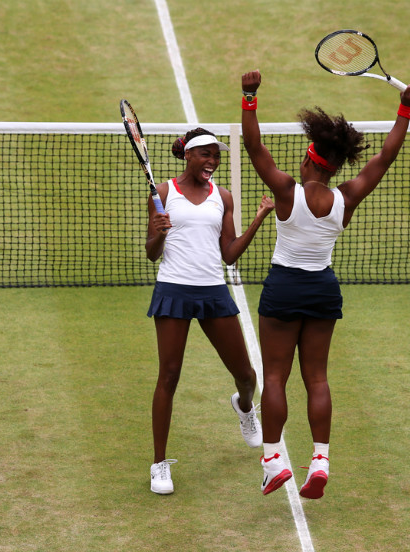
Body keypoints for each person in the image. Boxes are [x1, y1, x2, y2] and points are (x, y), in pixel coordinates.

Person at [240, 70, 410, 498]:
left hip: (283, 289)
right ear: (335, 165)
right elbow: (385, 158)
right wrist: (405, 109)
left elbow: (253, 146)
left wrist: (250, 96)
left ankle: (272, 461)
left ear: (308, 159)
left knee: (276, 376)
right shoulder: (348, 196)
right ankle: (320, 459)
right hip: (323, 289)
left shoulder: (286, 190)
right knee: (317, 378)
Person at [145, 127, 276, 495]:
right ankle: (158, 465)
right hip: (173, 291)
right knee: (168, 376)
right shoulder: (163, 193)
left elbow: (229, 254)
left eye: (216, 156)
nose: (212, 162)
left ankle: (245, 408)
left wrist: (260, 217)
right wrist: (158, 232)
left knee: (247, 375)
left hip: (213, 292)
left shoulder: (223, 197)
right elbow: (152, 253)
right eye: (206, 154)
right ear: (188, 156)